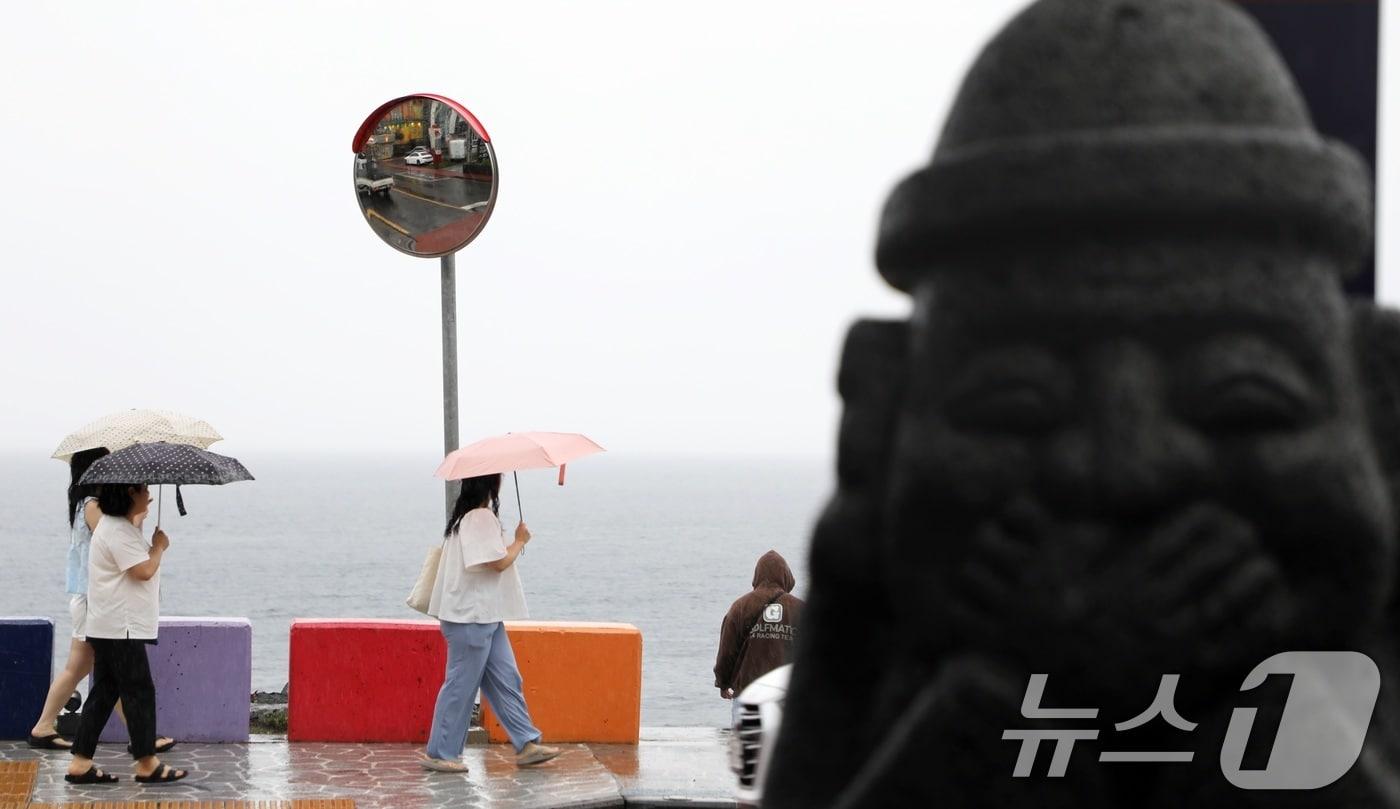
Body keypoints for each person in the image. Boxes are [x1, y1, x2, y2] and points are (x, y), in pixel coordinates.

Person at [28, 448, 173, 755]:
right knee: (97, 670)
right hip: (94, 598)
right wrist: (138, 521)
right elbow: (115, 540)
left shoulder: (84, 503)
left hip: (92, 597)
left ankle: (48, 727)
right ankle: (136, 738)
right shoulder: (93, 506)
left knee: (101, 672)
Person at [419, 473, 561, 773]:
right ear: (490, 484)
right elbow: (495, 563)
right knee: (461, 686)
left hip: (485, 617)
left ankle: (527, 743)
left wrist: (511, 541)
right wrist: (519, 542)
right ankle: (440, 752)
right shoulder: (480, 517)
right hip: (471, 617)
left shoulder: (467, 518)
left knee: (506, 679)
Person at [66, 483, 188, 785]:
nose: (148, 493)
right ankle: (147, 763)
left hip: (110, 624)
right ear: (127, 494)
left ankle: (80, 763)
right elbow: (143, 570)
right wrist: (158, 547)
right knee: (139, 691)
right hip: (122, 626)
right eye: (142, 489)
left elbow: (136, 565)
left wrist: (149, 542)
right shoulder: (118, 530)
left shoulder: (117, 527)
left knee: (104, 692)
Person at [714, 551, 804, 723]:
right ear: (786, 576)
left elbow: (727, 652)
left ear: (757, 575)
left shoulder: (740, 607)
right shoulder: (800, 609)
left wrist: (723, 683)